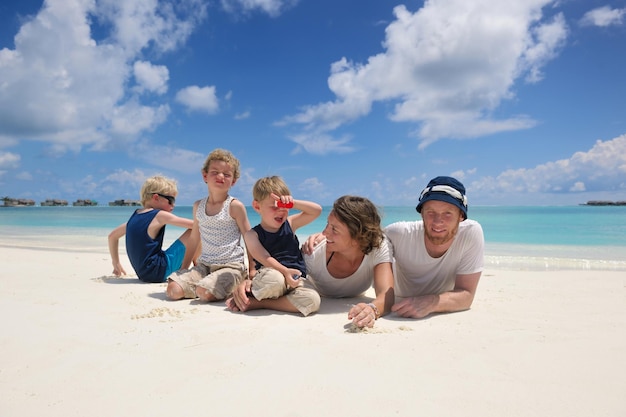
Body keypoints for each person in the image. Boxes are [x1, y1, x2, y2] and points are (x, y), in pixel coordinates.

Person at [384, 176, 484, 319]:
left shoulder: (470, 233)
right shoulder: (398, 233)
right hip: (397, 300)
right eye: (431, 212)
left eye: (447, 213)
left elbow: (467, 295)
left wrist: (432, 303)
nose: (438, 222)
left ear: (461, 216)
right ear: (422, 213)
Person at [226, 176, 322, 316]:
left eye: (285, 207)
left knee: (313, 300)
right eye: (275, 206)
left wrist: (293, 203)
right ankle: (247, 294)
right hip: (271, 275)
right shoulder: (252, 235)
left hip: (295, 280)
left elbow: (316, 211)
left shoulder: (290, 224)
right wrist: (285, 271)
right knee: (274, 280)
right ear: (257, 206)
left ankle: (259, 303)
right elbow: (265, 258)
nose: (281, 211)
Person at [166, 149, 251, 302]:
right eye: (215, 172)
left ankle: (234, 281)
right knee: (173, 290)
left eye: (226, 174)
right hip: (205, 266)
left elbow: (249, 239)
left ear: (234, 181)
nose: (220, 176)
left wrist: (252, 271)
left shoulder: (234, 206)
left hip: (231, 267)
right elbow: (193, 239)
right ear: (205, 176)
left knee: (203, 291)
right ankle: (206, 284)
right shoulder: (198, 206)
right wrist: (184, 269)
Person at [301, 195, 395, 328]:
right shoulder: (313, 254)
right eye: (327, 224)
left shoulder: (378, 246)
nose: (324, 232)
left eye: (334, 229)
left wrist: (372, 310)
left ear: (358, 236)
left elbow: (386, 295)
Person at [108, 175, 197, 283]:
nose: (173, 205)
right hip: (160, 271)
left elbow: (112, 236)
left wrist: (116, 263)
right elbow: (197, 225)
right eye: (170, 200)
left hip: (143, 275)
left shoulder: (134, 218)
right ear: (156, 197)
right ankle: (198, 267)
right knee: (197, 230)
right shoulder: (160, 215)